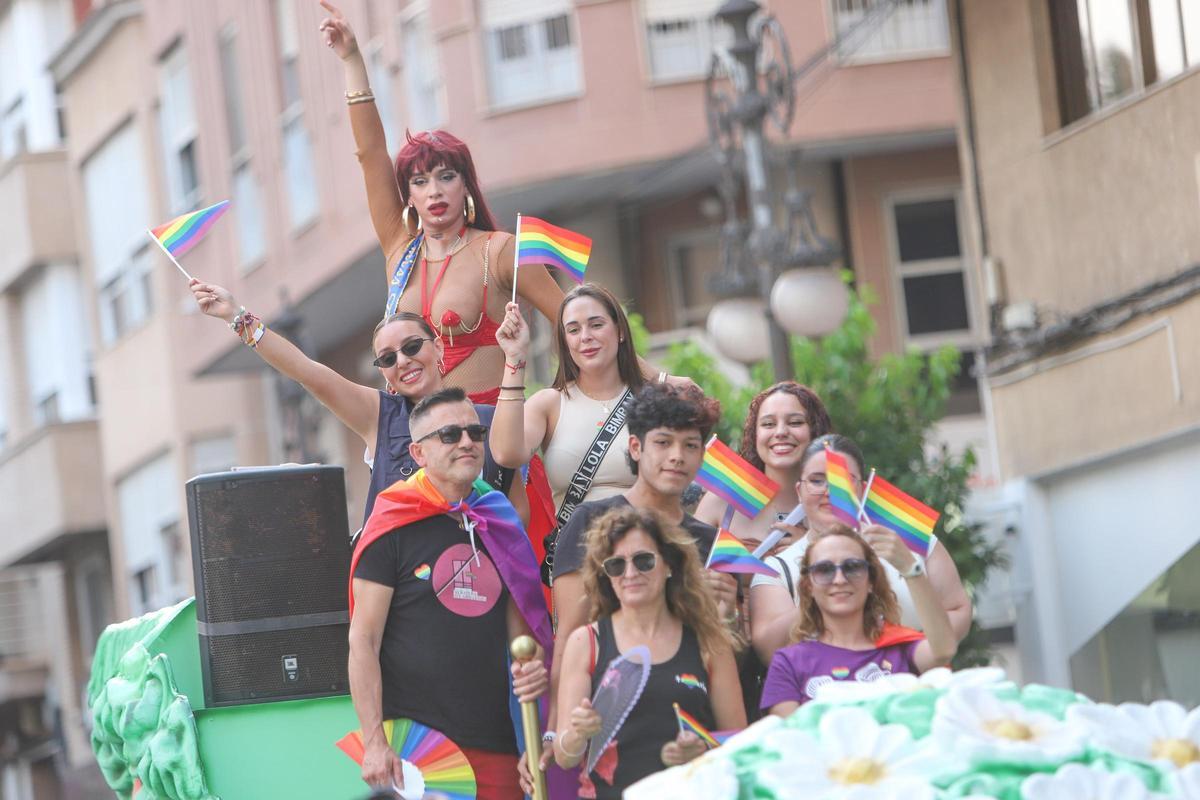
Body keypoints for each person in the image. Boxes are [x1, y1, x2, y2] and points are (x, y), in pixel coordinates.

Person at [319, 1, 566, 404]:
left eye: (446, 176)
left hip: (490, 446)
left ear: (466, 185)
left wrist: (653, 380)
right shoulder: (400, 250)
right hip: (420, 447)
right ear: (409, 196)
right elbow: (371, 155)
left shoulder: (499, 251)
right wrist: (351, 59)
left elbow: (575, 327)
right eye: (419, 181)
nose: (433, 191)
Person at [349, 389, 551, 799]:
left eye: (475, 432)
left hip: (500, 743)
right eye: (449, 434)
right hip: (418, 751)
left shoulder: (498, 519)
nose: (466, 442)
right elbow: (363, 641)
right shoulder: (390, 523)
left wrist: (535, 674)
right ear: (418, 453)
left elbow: (522, 636)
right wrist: (373, 742)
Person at [187, 279, 525, 525]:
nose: (403, 361)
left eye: (411, 347)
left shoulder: (490, 420)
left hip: (484, 590)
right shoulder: (378, 416)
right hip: (408, 599)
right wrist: (237, 317)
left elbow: (517, 514)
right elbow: (307, 372)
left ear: (437, 347)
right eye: (388, 359)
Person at [552, 507, 746, 798]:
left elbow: (740, 745)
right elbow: (564, 755)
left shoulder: (708, 641)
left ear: (668, 565)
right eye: (616, 565)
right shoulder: (587, 641)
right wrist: (580, 733)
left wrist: (702, 748)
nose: (630, 573)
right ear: (606, 575)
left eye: (643, 561)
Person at [749, 434, 972, 666]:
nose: (829, 491)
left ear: (862, 489)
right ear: (799, 490)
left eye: (841, 480)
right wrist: (825, 590)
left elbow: (958, 610)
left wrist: (910, 655)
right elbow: (767, 650)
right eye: (816, 481)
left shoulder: (909, 541)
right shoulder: (776, 568)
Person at [760, 524, 957, 715]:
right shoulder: (788, 662)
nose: (839, 579)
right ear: (808, 586)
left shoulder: (901, 647)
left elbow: (943, 651)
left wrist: (911, 569)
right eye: (824, 570)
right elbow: (787, 740)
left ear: (871, 581)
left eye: (853, 567)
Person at [694, 382, 832, 553]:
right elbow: (686, 572)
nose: (781, 432)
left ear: (815, 431)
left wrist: (814, 550)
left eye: (795, 422)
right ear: (755, 434)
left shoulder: (835, 505)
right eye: (768, 424)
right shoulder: (722, 500)